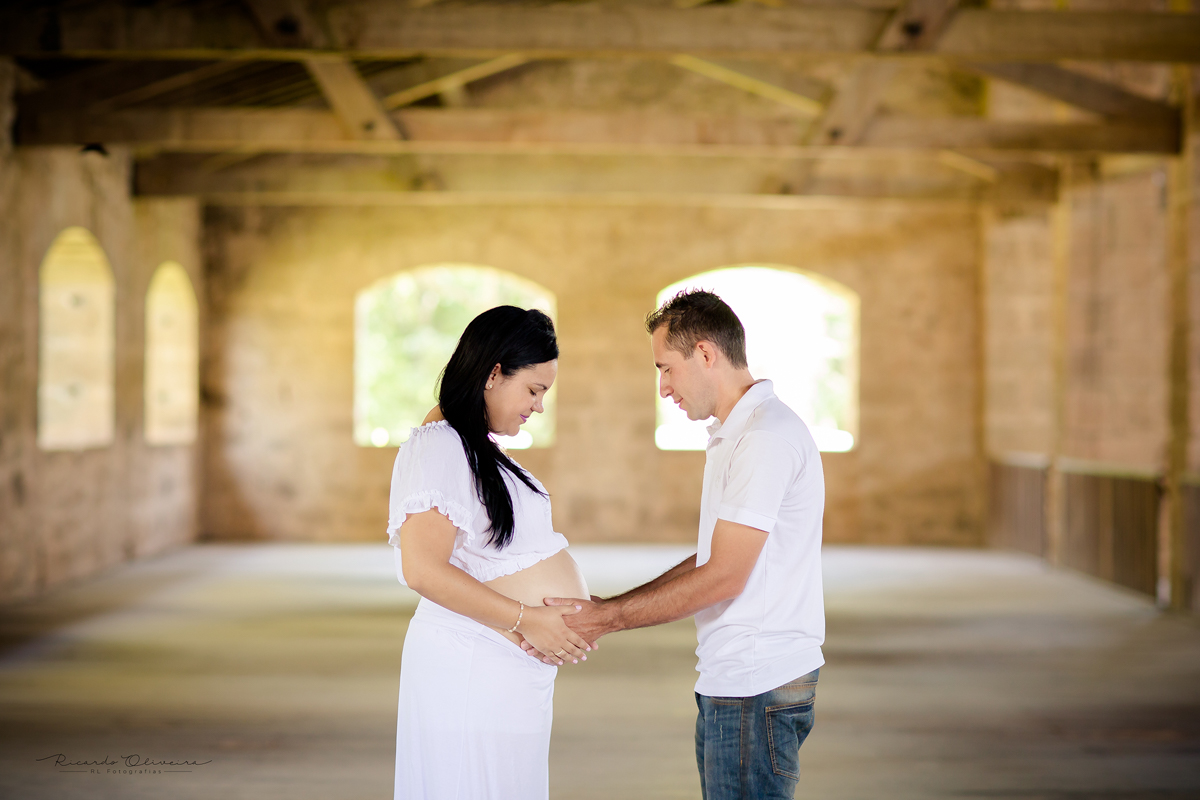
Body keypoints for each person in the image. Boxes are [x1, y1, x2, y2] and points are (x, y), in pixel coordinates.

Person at [531, 289, 826, 799]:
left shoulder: (763, 438)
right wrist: (608, 606)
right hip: (737, 680)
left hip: (755, 684)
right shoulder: (739, 432)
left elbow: (724, 577)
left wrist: (608, 619)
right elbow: (715, 558)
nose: (664, 387)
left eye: (666, 368)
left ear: (706, 353)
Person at [386, 305, 593, 800]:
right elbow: (422, 570)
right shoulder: (439, 446)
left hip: (499, 673)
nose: (538, 406)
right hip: (468, 667)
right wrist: (528, 619)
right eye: (534, 390)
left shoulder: (475, 447)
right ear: (494, 373)